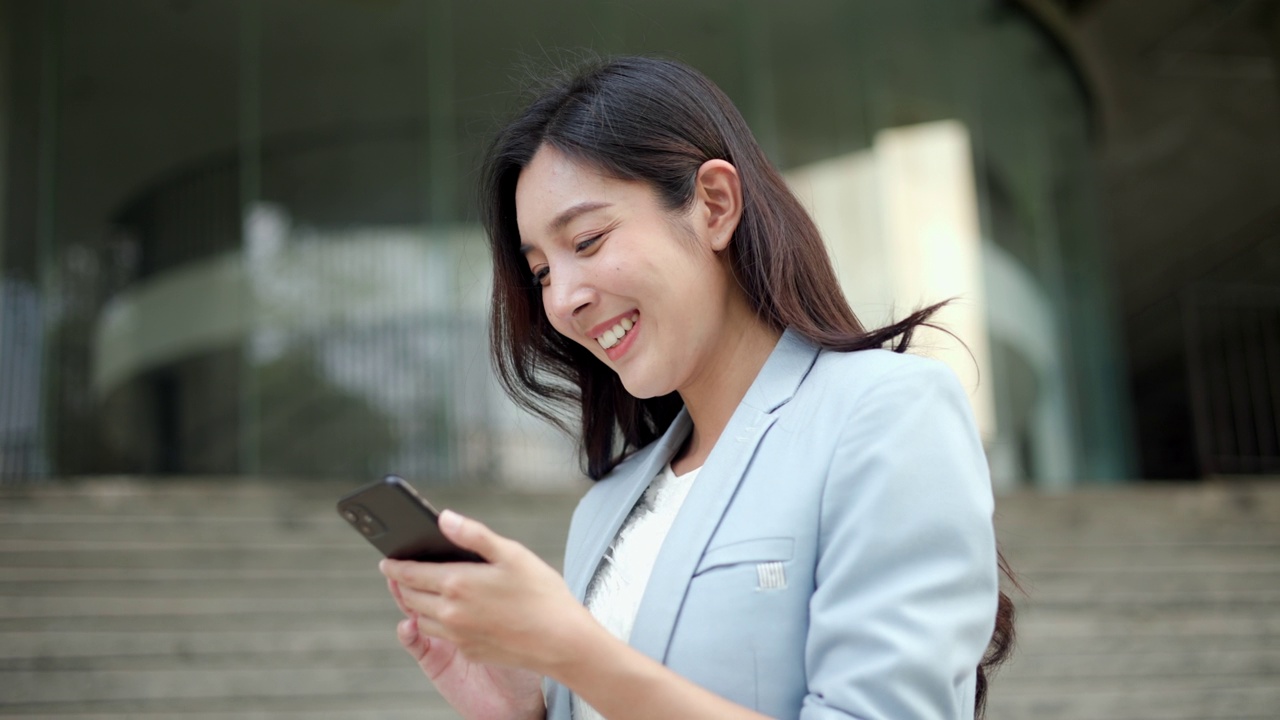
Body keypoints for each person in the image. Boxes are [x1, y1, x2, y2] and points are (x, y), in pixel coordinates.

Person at [379, 55, 1016, 720]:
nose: (563, 300)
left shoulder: (886, 413)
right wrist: (531, 711)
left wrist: (574, 653)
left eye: (588, 240)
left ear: (714, 205)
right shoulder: (607, 508)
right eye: (540, 272)